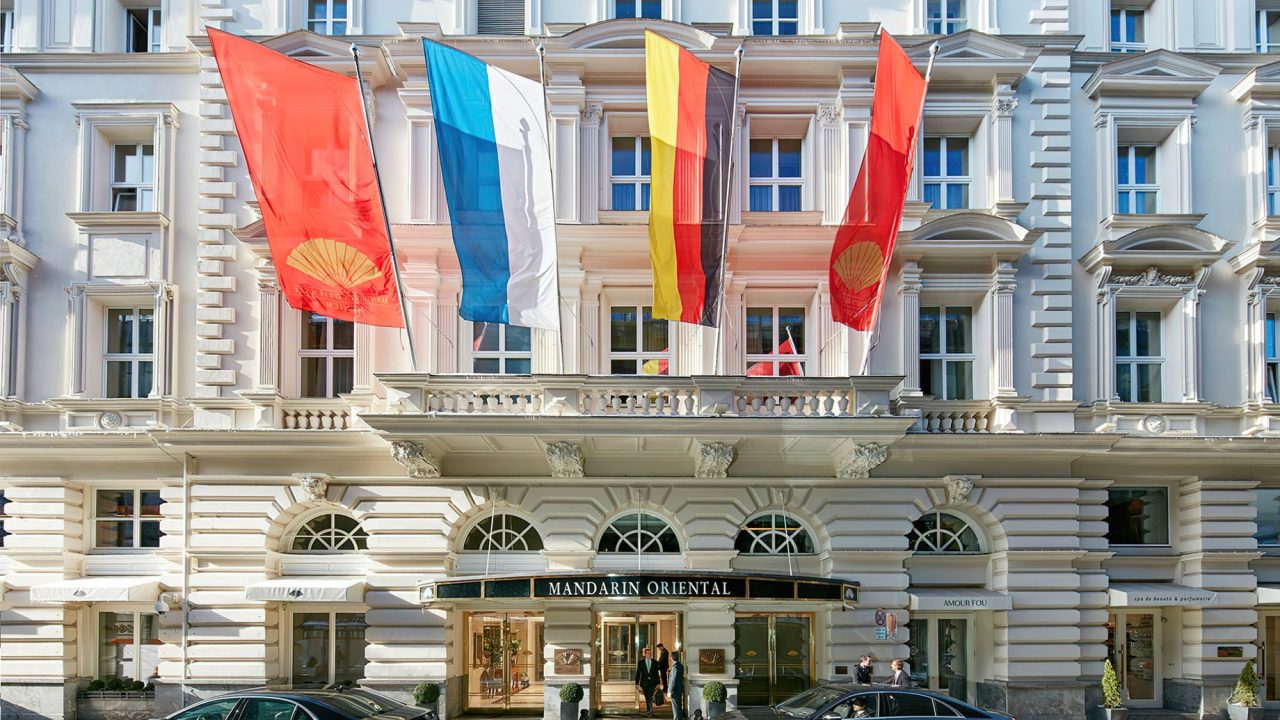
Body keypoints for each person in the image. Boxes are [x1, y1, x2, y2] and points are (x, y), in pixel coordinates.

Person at [634, 646, 663, 718]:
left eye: (651, 653)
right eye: (648, 653)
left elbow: (656, 673)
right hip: (644, 683)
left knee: (649, 697)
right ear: (645, 654)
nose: (650, 655)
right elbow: (638, 673)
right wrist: (637, 683)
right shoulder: (641, 663)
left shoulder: (655, 662)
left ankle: (649, 711)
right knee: (647, 697)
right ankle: (649, 710)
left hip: (652, 683)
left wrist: (658, 683)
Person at [668, 650, 686, 720]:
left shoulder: (675, 667)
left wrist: (669, 691)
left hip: (675, 690)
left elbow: (673, 680)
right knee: (678, 706)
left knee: (675, 707)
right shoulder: (680, 665)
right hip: (679, 689)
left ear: (672, 657)